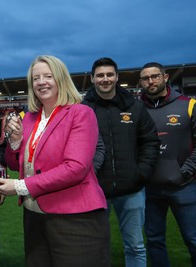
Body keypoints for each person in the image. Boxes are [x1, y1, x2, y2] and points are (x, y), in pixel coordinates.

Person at [0, 55, 110, 267]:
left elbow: (76, 168)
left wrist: (20, 186)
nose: (41, 82)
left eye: (48, 76)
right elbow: (13, 163)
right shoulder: (28, 117)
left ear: (61, 79)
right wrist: (16, 142)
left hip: (75, 218)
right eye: (36, 78)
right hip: (34, 216)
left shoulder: (81, 113)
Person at [82, 57, 160, 267]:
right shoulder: (82, 110)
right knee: (95, 246)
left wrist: (140, 173)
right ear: (92, 79)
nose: (105, 79)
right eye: (100, 75)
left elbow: (150, 142)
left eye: (109, 74)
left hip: (131, 190)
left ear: (117, 77)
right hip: (95, 190)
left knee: (135, 246)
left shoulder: (135, 107)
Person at [139, 62, 196, 267]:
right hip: (150, 189)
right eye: (145, 78)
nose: (150, 81)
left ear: (165, 77)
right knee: (154, 240)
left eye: (155, 76)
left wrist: (186, 172)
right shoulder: (137, 109)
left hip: (185, 186)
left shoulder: (188, 104)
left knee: (193, 239)